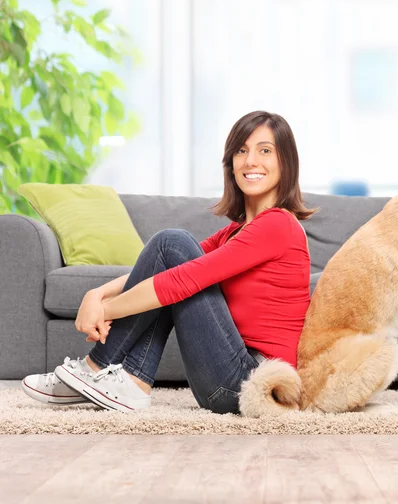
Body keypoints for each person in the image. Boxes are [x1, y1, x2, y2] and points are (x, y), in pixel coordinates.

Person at [21, 111, 316, 415]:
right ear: (231, 162)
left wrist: (104, 311)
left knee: (172, 242)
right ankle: (130, 379)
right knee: (171, 248)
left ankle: (95, 366)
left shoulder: (278, 225)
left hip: (250, 385)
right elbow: (167, 266)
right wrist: (96, 294)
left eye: (265, 150)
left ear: (286, 162)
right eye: (242, 150)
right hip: (223, 381)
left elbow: (181, 278)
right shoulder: (235, 232)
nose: (251, 160)